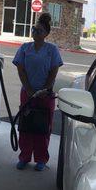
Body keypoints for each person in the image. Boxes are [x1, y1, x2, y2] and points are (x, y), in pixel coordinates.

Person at [12, 13, 63, 171]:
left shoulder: (52, 50)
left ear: (46, 34)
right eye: (34, 29)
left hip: (45, 96)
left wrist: (45, 89)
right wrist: (28, 89)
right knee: (26, 126)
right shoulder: (25, 48)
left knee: (42, 127)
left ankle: (41, 159)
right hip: (27, 93)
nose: (35, 32)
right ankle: (24, 157)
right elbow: (21, 69)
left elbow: (54, 70)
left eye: (39, 30)